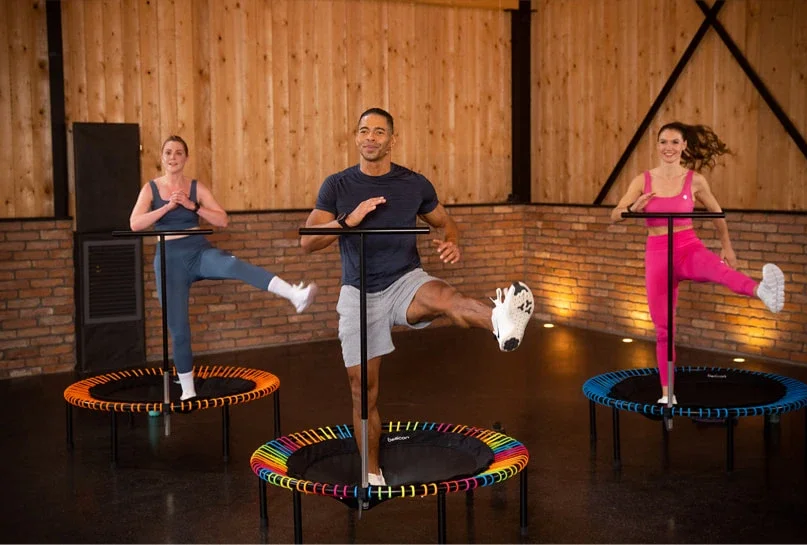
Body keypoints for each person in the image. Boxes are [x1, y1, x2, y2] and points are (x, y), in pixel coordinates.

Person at [300, 108, 534, 487]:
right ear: (356, 137)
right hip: (359, 292)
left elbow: (445, 221)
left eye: (379, 132)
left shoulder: (414, 184)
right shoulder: (337, 185)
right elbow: (308, 242)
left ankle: (501, 321)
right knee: (364, 392)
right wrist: (349, 220)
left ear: (393, 139)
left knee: (446, 297)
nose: (371, 138)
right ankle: (371, 475)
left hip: (405, 280)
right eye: (364, 131)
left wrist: (453, 242)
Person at [129, 135, 317, 402]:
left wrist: (191, 206)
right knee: (179, 328)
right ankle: (188, 390)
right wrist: (169, 206)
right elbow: (135, 224)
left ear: (186, 158)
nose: (173, 157)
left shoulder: (196, 187)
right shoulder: (150, 189)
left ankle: (294, 295)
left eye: (179, 153)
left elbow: (222, 220)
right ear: (162, 157)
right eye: (168, 152)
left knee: (234, 265)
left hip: (198, 250)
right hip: (169, 258)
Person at [611, 121, 785, 405]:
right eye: (663, 142)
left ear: (684, 147)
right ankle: (668, 395)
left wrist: (726, 245)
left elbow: (718, 214)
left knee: (720, 270)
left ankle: (762, 291)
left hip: (687, 246)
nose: (668, 148)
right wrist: (633, 208)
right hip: (657, 254)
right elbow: (614, 215)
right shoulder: (642, 180)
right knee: (664, 328)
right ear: (657, 146)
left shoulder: (696, 180)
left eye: (674, 142)